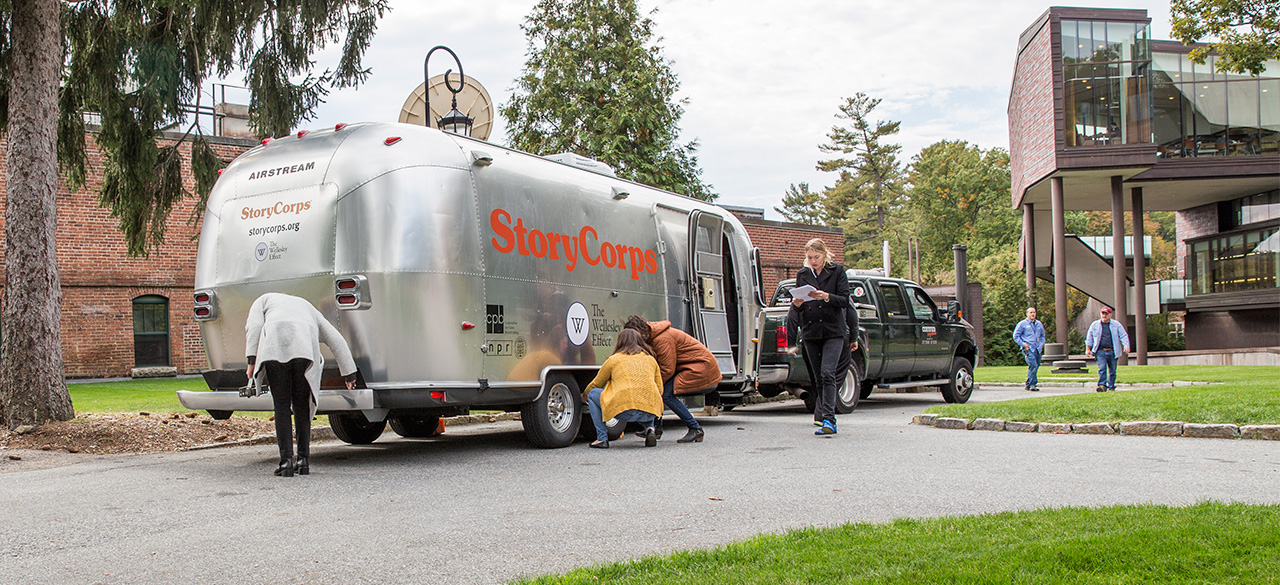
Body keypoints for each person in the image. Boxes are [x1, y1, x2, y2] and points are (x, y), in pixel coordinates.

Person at [245, 293, 358, 477]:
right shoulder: (306, 305)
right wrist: (349, 373)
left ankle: (286, 462)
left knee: (281, 406)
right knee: (301, 405)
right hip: (304, 351)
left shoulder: (264, 299)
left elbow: (254, 326)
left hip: (274, 349)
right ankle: (303, 461)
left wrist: (251, 360)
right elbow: (335, 338)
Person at [623, 316, 721, 443]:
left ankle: (695, 429)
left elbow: (667, 369)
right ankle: (656, 429)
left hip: (700, 367)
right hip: (689, 366)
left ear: (641, 332)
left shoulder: (661, 339)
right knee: (660, 392)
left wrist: (652, 385)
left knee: (666, 395)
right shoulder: (654, 336)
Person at [792, 238, 850, 436]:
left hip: (833, 331)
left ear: (824, 255)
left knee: (828, 373)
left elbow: (844, 300)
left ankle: (829, 419)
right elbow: (797, 306)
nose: (813, 261)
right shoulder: (803, 274)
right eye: (809, 258)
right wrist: (797, 304)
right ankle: (821, 415)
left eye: (816, 257)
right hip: (811, 331)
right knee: (817, 378)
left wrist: (826, 296)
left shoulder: (837, 271)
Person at [582, 329, 665, 449]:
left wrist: (584, 395)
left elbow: (597, 384)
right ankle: (650, 429)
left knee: (593, 394)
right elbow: (660, 389)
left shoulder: (614, 359)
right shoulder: (650, 359)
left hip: (623, 411)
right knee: (647, 395)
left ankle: (602, 438)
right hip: (650, 413)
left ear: (620, 342)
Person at [787, 300, 859, 425]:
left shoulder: (804, 293)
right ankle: (823, 415)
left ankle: (822, 414)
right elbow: (852, 314)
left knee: (818, 378)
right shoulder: (837, 291)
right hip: (837, 338)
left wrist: (792, 342)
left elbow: (792, 315)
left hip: (810, 338)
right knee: (833, 376)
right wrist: (854, 337)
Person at [1084, 306, 1130, 393]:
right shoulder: (1095, 325)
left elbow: (1123, 335)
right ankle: (1102, 385)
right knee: (1102, 368)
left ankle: (1111, 386)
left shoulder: (1116, 325)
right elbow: (1089, 337)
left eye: (1106, 314)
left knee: (1112, 370)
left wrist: (1126, 346)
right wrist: (1088, 349)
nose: (1104, 316)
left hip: (1113, 351)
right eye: (1103, 314)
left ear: (1110, 315)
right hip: (1100, 351)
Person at [1012, 307, 1045, 391]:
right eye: (1031, 312)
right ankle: (1031, 384)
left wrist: (1041, 344)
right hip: (1028, 348)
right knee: (1033, 365)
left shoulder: (1039, 324)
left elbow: (1042, 336)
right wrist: (1023, 344)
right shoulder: (1022, 324)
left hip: (1037, 348)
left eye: (1034, 312)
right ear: (1027, 314)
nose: (1033, 314)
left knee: (1036, 366)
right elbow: (1016, 336)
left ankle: (1030, 384)